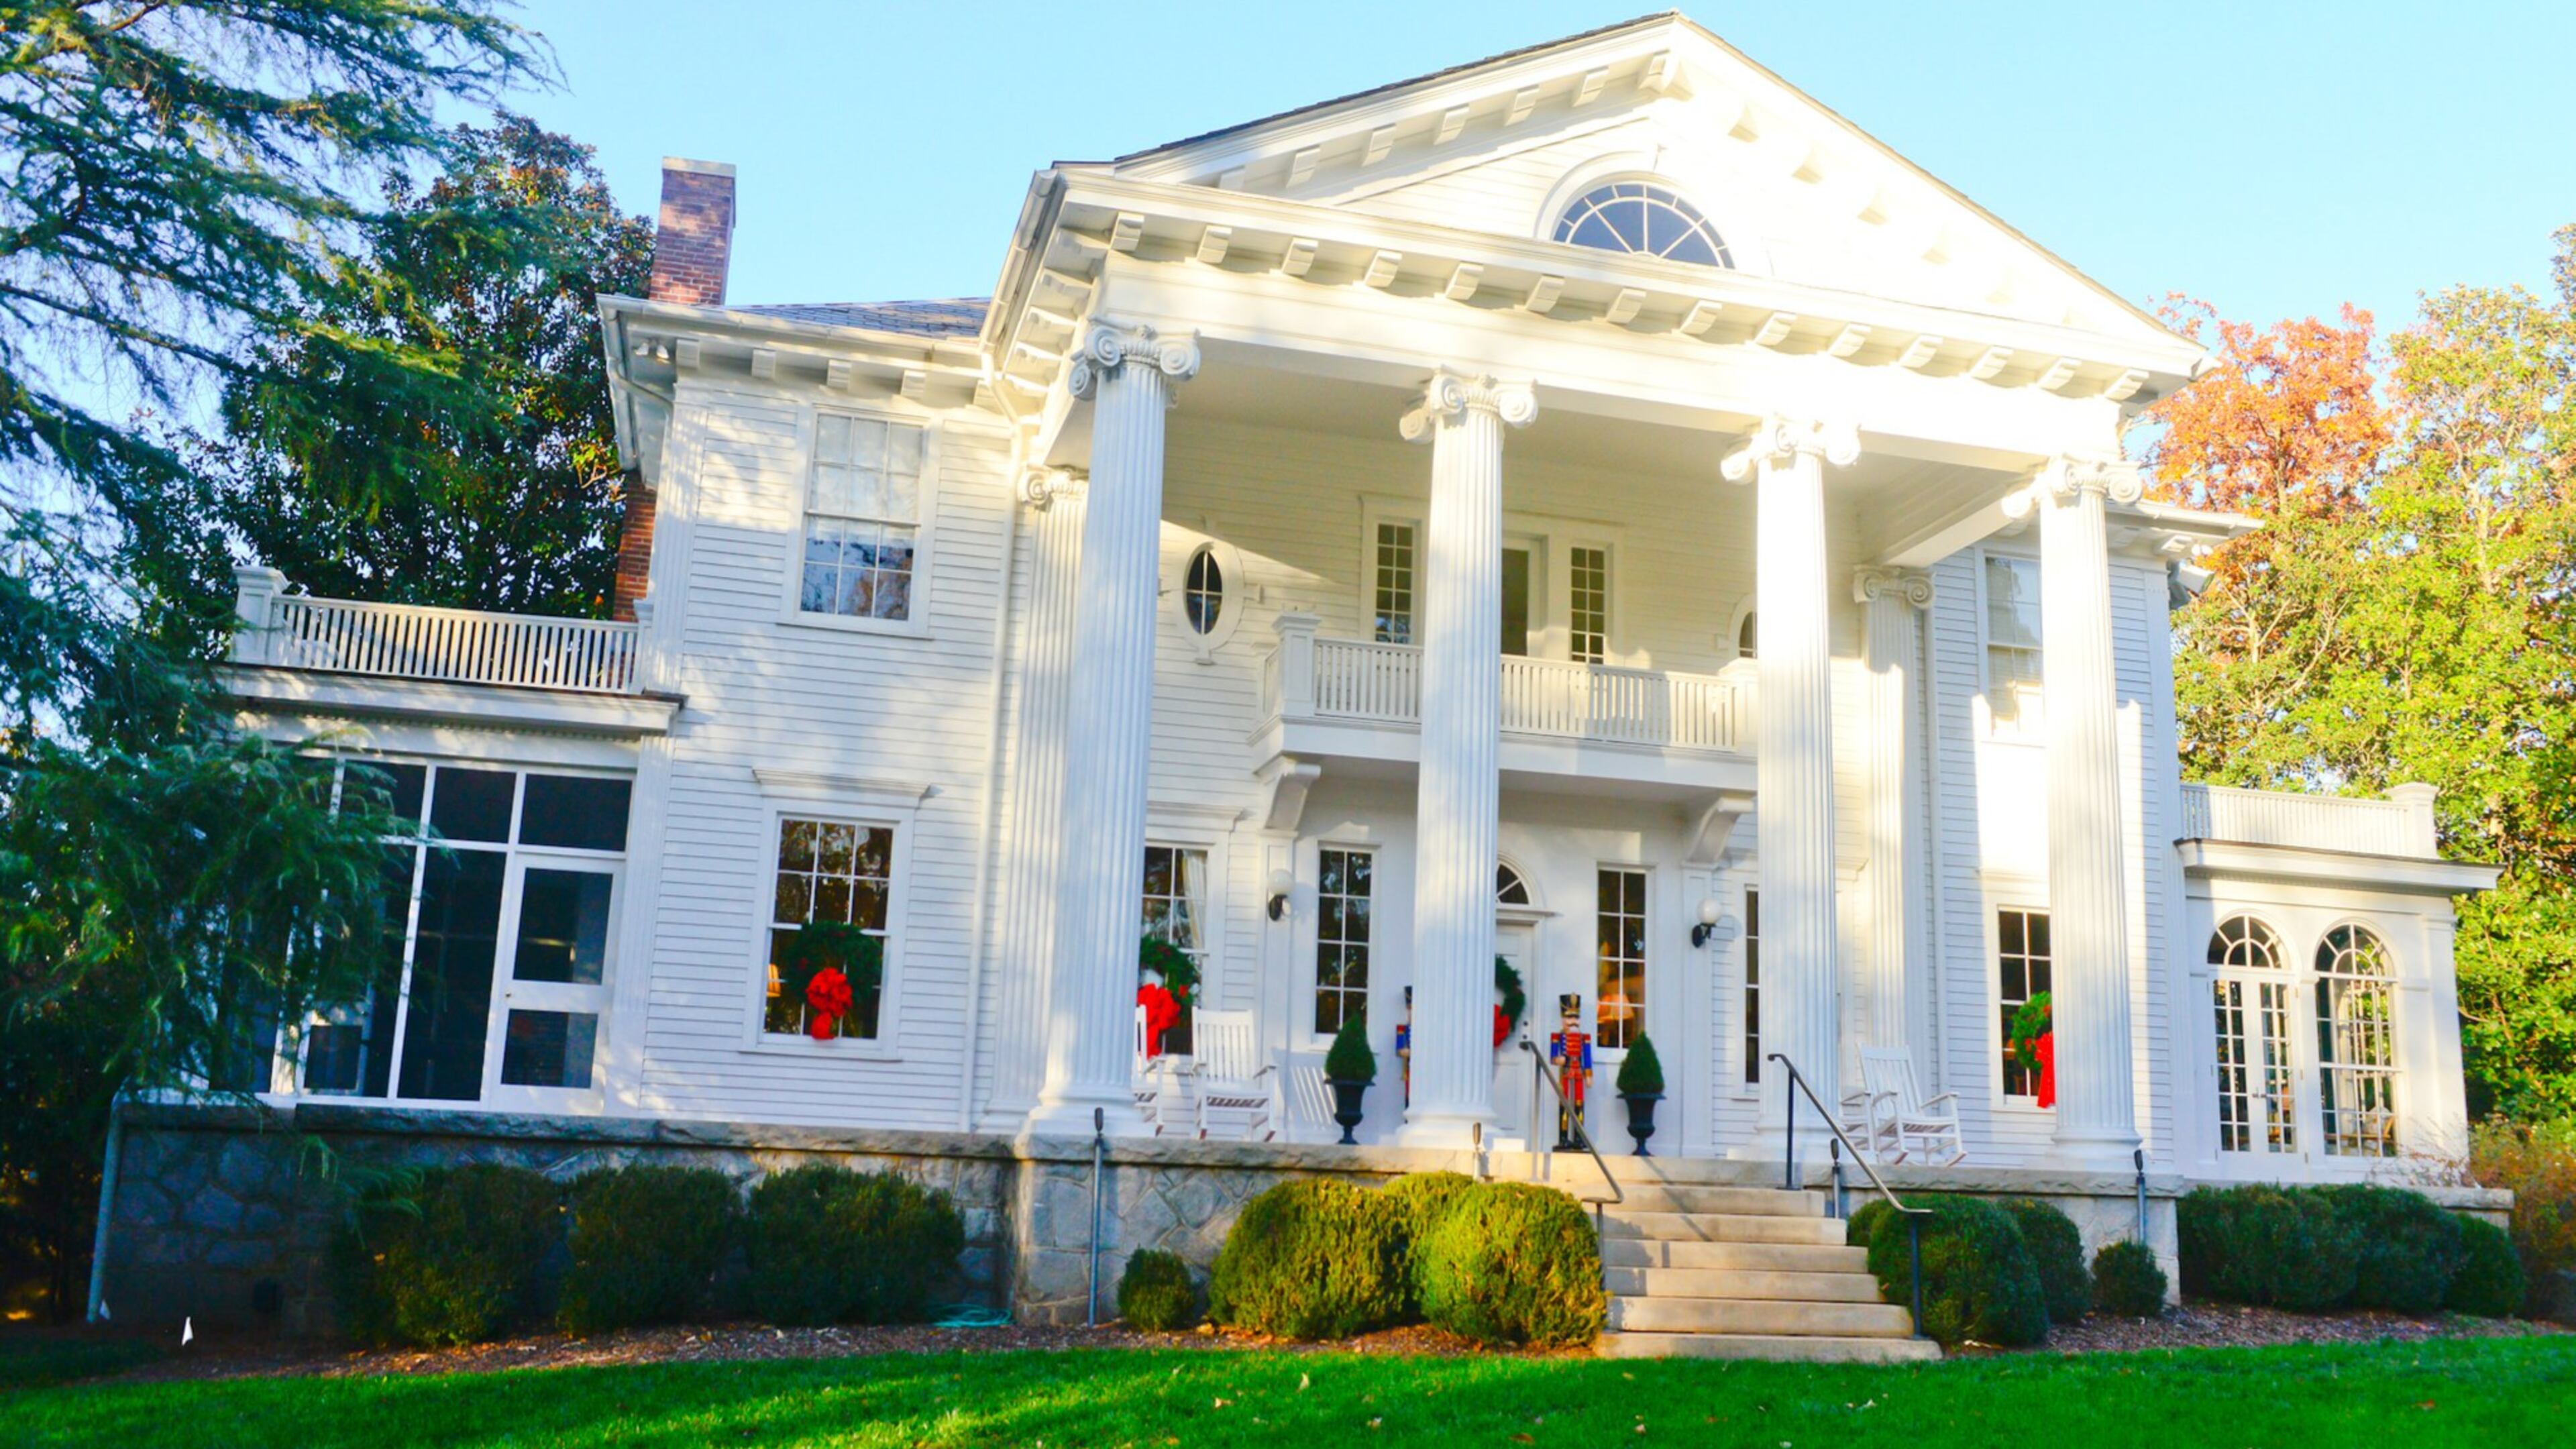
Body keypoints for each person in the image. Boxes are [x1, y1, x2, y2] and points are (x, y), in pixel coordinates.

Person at [1547, 993, 1593, 1150]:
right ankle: (1564, 1137)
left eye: (1576, 1018)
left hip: (1579, 1071)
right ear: (1563, 1019)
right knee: (1565, 1103)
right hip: (1566, 1072)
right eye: (1570, 1017)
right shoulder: (1557, 1036)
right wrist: (1558, 1059)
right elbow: (1553, 1057)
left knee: (1579, 1103)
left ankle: (1579, 1138)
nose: (1574, 1021)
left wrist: (1589, 1075)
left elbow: (1587, 1056)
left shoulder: (1584, 1038)